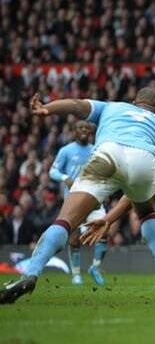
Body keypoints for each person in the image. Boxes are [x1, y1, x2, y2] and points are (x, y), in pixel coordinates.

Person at [0, 88, 155, 304]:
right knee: (147, 212)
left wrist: (47, 108)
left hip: (107, 153)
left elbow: (77, 105)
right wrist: (109, 219)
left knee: (65, 221)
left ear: (134, 101)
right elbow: (138, 190)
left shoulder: (114, 106)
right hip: (144, 158)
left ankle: (30, 275)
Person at [49, 120, 107, 285]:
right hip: (74, 201)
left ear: (90, 132)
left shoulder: (96, 150)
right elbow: (53, 170)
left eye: (87, 128)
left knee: (104, 231)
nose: (84, 130)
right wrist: (65, 177)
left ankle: (95, 267)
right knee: (74, 239)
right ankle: (76, 274)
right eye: (80, 127)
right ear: (74, 131)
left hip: (94, 199)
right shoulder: (66, 151)